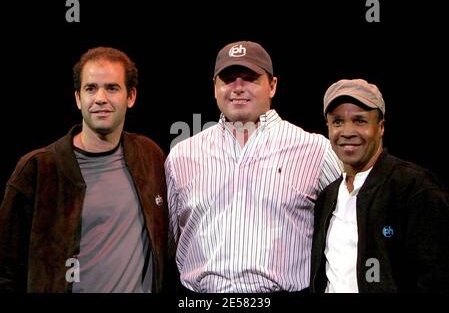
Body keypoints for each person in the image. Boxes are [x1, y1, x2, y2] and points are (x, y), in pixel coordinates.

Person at [165, 41, 342, 293]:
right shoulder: (181, 156)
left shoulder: (315, 150)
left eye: (250, 78)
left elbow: (345, 235)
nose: (238, 87)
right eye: (228, 79)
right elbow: (166, 243)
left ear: (272, 86)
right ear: (215, 87)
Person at [0, 47, 168, 292]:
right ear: (78, 98)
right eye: (91, 88)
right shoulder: (39, 168)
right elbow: (5, 268)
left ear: (131, 97)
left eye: (112, 88)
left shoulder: (149, 156)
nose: (100, 98)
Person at [310, 78, 449, 292]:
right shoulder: (327, 197)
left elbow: (436, 277)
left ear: (381, 127)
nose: (347, 131)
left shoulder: (414, 187)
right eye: (337, 121)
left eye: (360, 121)